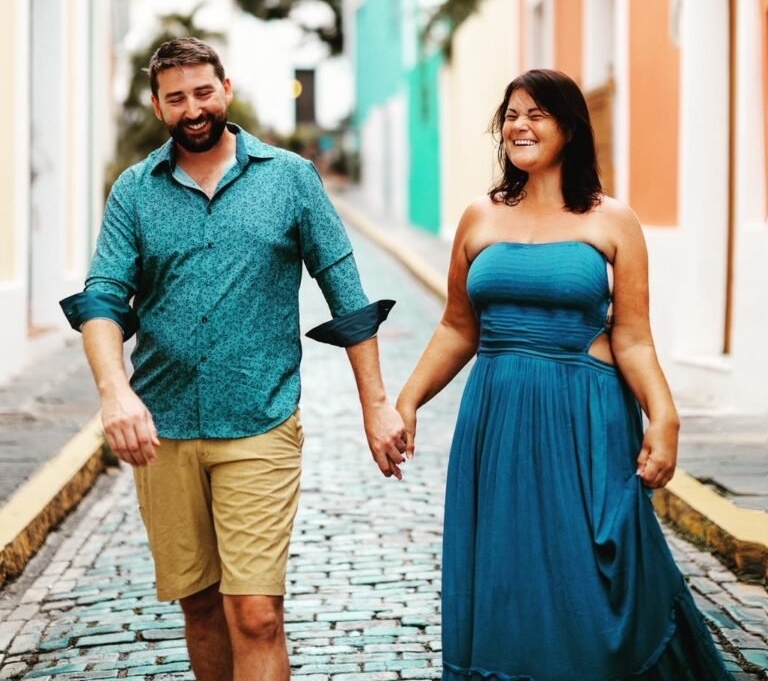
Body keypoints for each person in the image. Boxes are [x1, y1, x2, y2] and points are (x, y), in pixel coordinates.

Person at [60, 37, 407, 681]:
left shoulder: (290, 179)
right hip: (164, 430)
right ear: (157, 105)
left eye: (202, 91)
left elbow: (348, 297)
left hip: (260, 421)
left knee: (254, 614)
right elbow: (104, 297)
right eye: (175, 98)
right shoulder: (134, 192)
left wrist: (377, 406)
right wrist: (114, 392)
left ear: (225, 87)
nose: (192, 108)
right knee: (199, 608)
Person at [396, 69, 729, 681]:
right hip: (496, 418)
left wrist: (665, 415)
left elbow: (632, 336)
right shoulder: (479, 217)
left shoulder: (612, 220)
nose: (520, 126)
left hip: (586, 418)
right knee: (507, 570)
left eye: (537, 114)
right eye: (512, 116)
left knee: (600, 569)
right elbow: (456, 327)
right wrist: (408, 401)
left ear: (571, 129)